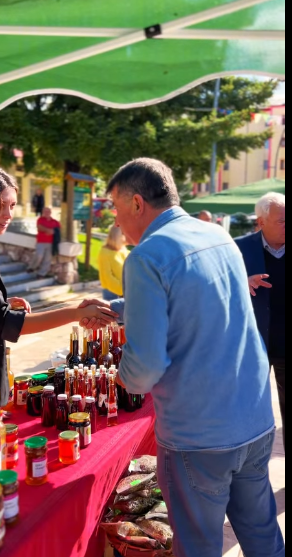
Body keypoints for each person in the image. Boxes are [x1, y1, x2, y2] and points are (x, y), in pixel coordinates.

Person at [80, 158, 284, 557]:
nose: (117, 222)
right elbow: (195, 295)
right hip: (255, 420)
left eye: (117, 210)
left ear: (137, 203)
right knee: (262, 536)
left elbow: (144, 370)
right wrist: (117, 308)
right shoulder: (217, 236)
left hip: (200, 436)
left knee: (197, 546)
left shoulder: (146, 256)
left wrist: (121, 378)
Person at [0, 167, 117, 408]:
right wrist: (75, 312)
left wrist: (3, 303)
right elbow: (4, 322)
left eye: (11, 205)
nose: (7, 213)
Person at [236, 192, 285, 450]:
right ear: (261, 221)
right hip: (252, 349)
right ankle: (248, 475)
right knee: (249, 415)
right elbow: (214, 287)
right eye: (282, 221)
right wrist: (242, 283)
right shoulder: (237, 248)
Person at [98, 225, 130, 301]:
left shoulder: (123, 250)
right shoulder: (105, 253)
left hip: (125, 290)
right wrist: (121, 290)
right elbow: (107, 276)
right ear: (117, 236)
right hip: (112, 292)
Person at [27, 206, 60, 278]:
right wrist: (49, 230)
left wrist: (51, 231)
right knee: (39, 255)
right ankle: (32, 267)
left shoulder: (55, 222)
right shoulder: (40, 220)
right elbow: (40, 227)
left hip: (51, 243)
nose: (46, 213)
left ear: (51, 212)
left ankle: (41, 273)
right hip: (41, 242)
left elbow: (58, 231)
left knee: (47, 259)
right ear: (43, 212)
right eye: (45, 211)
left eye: (48, 211)